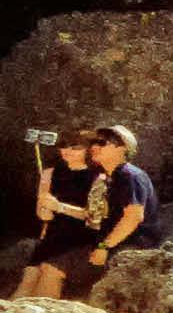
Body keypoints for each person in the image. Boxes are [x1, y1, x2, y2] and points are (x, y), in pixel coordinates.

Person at [15, 121, 159, 300]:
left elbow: (134, 217)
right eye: (94, 142)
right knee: (44, 267)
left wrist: (103, 246)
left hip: (128, 247)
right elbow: (94, 217)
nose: (95, 147)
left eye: (102, 143)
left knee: (53, 268)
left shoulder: (129, 176)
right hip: (107, 242)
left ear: (122, 148)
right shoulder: (108, 177)